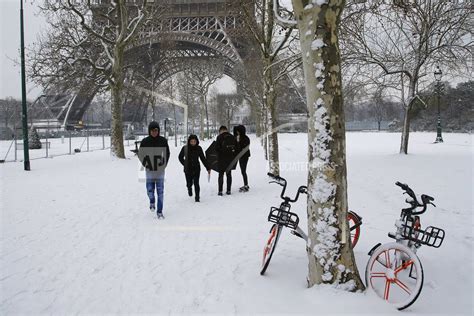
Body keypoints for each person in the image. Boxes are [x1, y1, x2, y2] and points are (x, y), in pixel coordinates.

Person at [139, 121, 170, 219]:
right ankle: (152, 201)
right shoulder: (145, 141)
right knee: (150, 190)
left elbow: (167, 153)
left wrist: (164, 164)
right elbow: (140, 154)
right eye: (152, 130)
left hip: (160, 169)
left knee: (160, 191)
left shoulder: (163, 140)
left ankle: (159, 211)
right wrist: (146, 164)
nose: (154, 132)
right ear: (149, 131)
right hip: (149, 170)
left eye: (156, 130)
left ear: (158, 130)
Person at [178, 134, 211, 202]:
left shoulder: (199, 148)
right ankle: (189, 188)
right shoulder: (185, 148)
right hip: (187, 169)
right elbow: (180, 157)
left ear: (196, 141)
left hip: (196, 168)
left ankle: (197, 197)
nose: (193, 143)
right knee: (189, 183)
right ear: (189, 142)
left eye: (194, 141)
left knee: (196, 183)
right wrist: (184, 164)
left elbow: (203, 158)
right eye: (191, 141)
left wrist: (208, 167)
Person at [215, 125, 237, 196]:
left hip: (221, 159)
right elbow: (237, 148)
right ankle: (228, 190)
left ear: (221, 130)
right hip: (230, 159)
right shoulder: (232, 137)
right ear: (226, 130)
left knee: (221, 175)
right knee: (229, 175)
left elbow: (217, 149)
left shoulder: (219, 137)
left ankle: (220, 191)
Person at [234, 125, 251, 192]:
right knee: (242, 171)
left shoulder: (246, 138)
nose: (237, 132)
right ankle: (245, 184)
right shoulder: (238, 137)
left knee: (243, 171)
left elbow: (244, 148)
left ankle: (246, 185)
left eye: (238, 131)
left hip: (244, 156)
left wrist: (238, 142)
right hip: (240, 156)